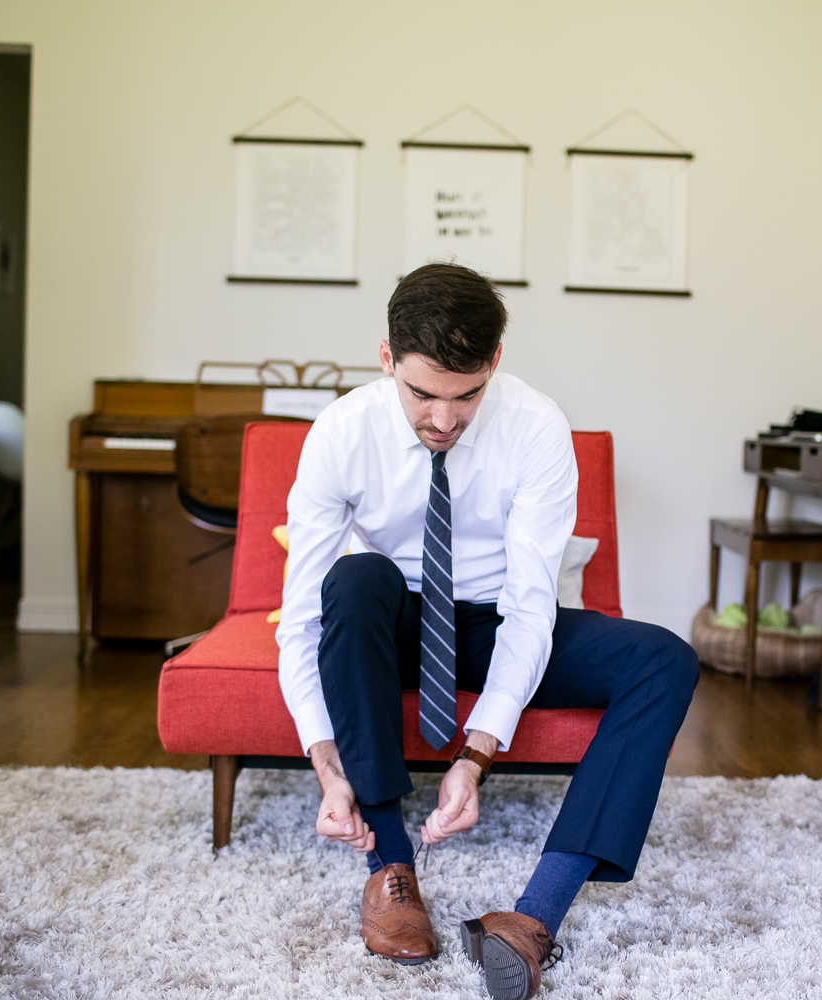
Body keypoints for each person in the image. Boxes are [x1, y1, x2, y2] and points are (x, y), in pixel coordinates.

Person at [275, 263, 698, 1000]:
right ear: (386, 359)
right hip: (389, 621)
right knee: (354, 578)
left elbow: (531, 605)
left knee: (664, 659)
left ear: (495, 363)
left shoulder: (537, 426)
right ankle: (390, 868)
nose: (443, 420)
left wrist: (476, 755)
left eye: (465, 396)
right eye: (422, 394)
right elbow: (306, 613)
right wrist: (323, 758)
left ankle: (535, 917)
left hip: (490, 621)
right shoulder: (341, 432)